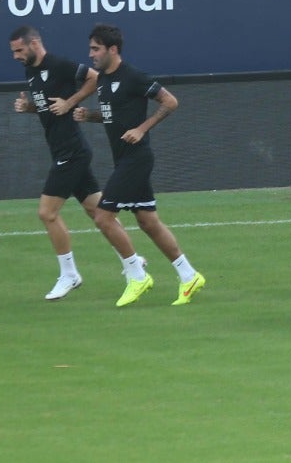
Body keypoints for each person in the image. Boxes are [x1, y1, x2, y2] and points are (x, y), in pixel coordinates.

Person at [72, 24, 205, 307]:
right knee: (147, 221)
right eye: (91, 48)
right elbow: (114, 116)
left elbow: (170, 102)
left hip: (137, 158)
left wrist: (142, 128)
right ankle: (189, 274)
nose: (90, 54)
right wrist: (90, 116)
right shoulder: (104, 81)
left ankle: (136, 275)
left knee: (103, 216)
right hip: (125, 158)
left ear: (113, 50)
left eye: (96, 49)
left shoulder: (132, 76)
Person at [9, 26, 105, 300]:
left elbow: (95, 78)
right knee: (99, 213)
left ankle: (69, 274)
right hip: (63, 150)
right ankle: (133, 261)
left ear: (35, 43)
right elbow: (47, 109)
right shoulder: (31, 71)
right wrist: (29, 108)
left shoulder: (59, 64)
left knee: (47, 213)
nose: (16, 56)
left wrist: (71, 102)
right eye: (13, 51)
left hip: (71, 151)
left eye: (19, 50)